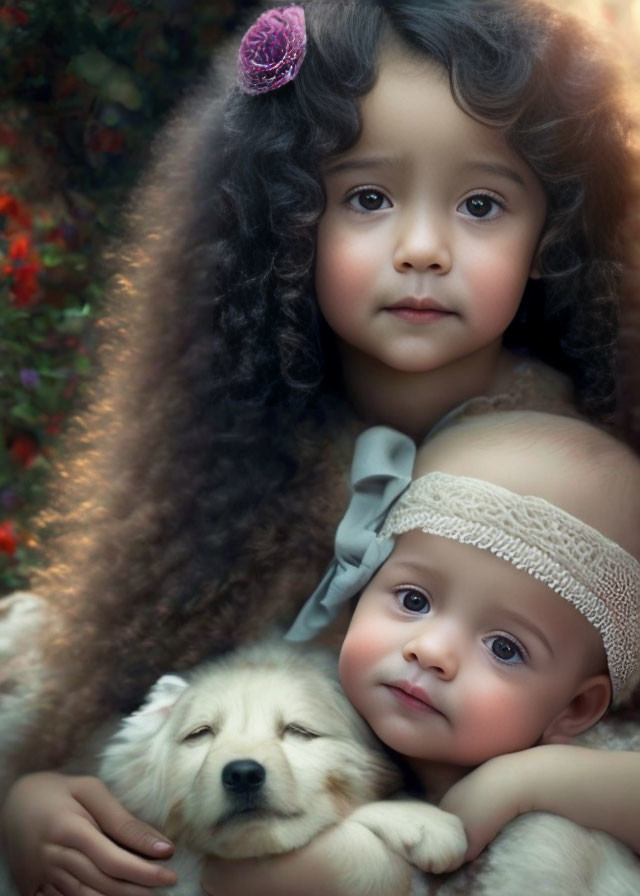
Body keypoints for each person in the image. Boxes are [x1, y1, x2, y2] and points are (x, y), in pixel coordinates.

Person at [1, 1, 638, 894]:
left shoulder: (596, 478)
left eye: (482, 203)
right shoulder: (230, 476)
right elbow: (121, 709)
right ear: (289, 222)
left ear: (551, 235)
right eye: (369, 198)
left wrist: (539, 777)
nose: (422, 248)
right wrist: (35, 801)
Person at [200, 409, 640, 894]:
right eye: (414, 600)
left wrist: (528, 782)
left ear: (573, 708)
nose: (431, 650)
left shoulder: (598, 767)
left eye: (504, 648)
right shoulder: (293, 714)